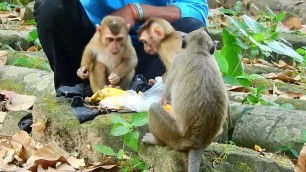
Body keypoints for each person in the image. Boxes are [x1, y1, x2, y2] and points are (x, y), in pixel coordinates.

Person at [34, 0, 209, 92]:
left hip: (147, 54)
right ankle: (73, 89)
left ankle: (153, 90)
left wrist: (136, 11)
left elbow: (195, 9)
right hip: (95, 48)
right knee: (51, 6)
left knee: (191, 30)